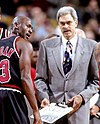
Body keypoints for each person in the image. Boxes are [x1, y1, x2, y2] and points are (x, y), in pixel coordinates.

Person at [34, 6, 99, 124]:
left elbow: (95, 81)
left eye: (69, 22)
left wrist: (82, 97)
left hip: (79, 112)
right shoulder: (46, 45)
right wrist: (43, 97)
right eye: (62, 23)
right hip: (52, 112)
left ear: (76, 22)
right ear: (58, 24)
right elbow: (39, 79)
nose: (65, 27)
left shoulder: (91, 46)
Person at [0, 16, 42, 124]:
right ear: (16, 25)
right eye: (28, 26)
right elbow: (25, 78)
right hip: (12, 95)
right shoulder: (23, 44)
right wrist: (35, 110)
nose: (31, 30)